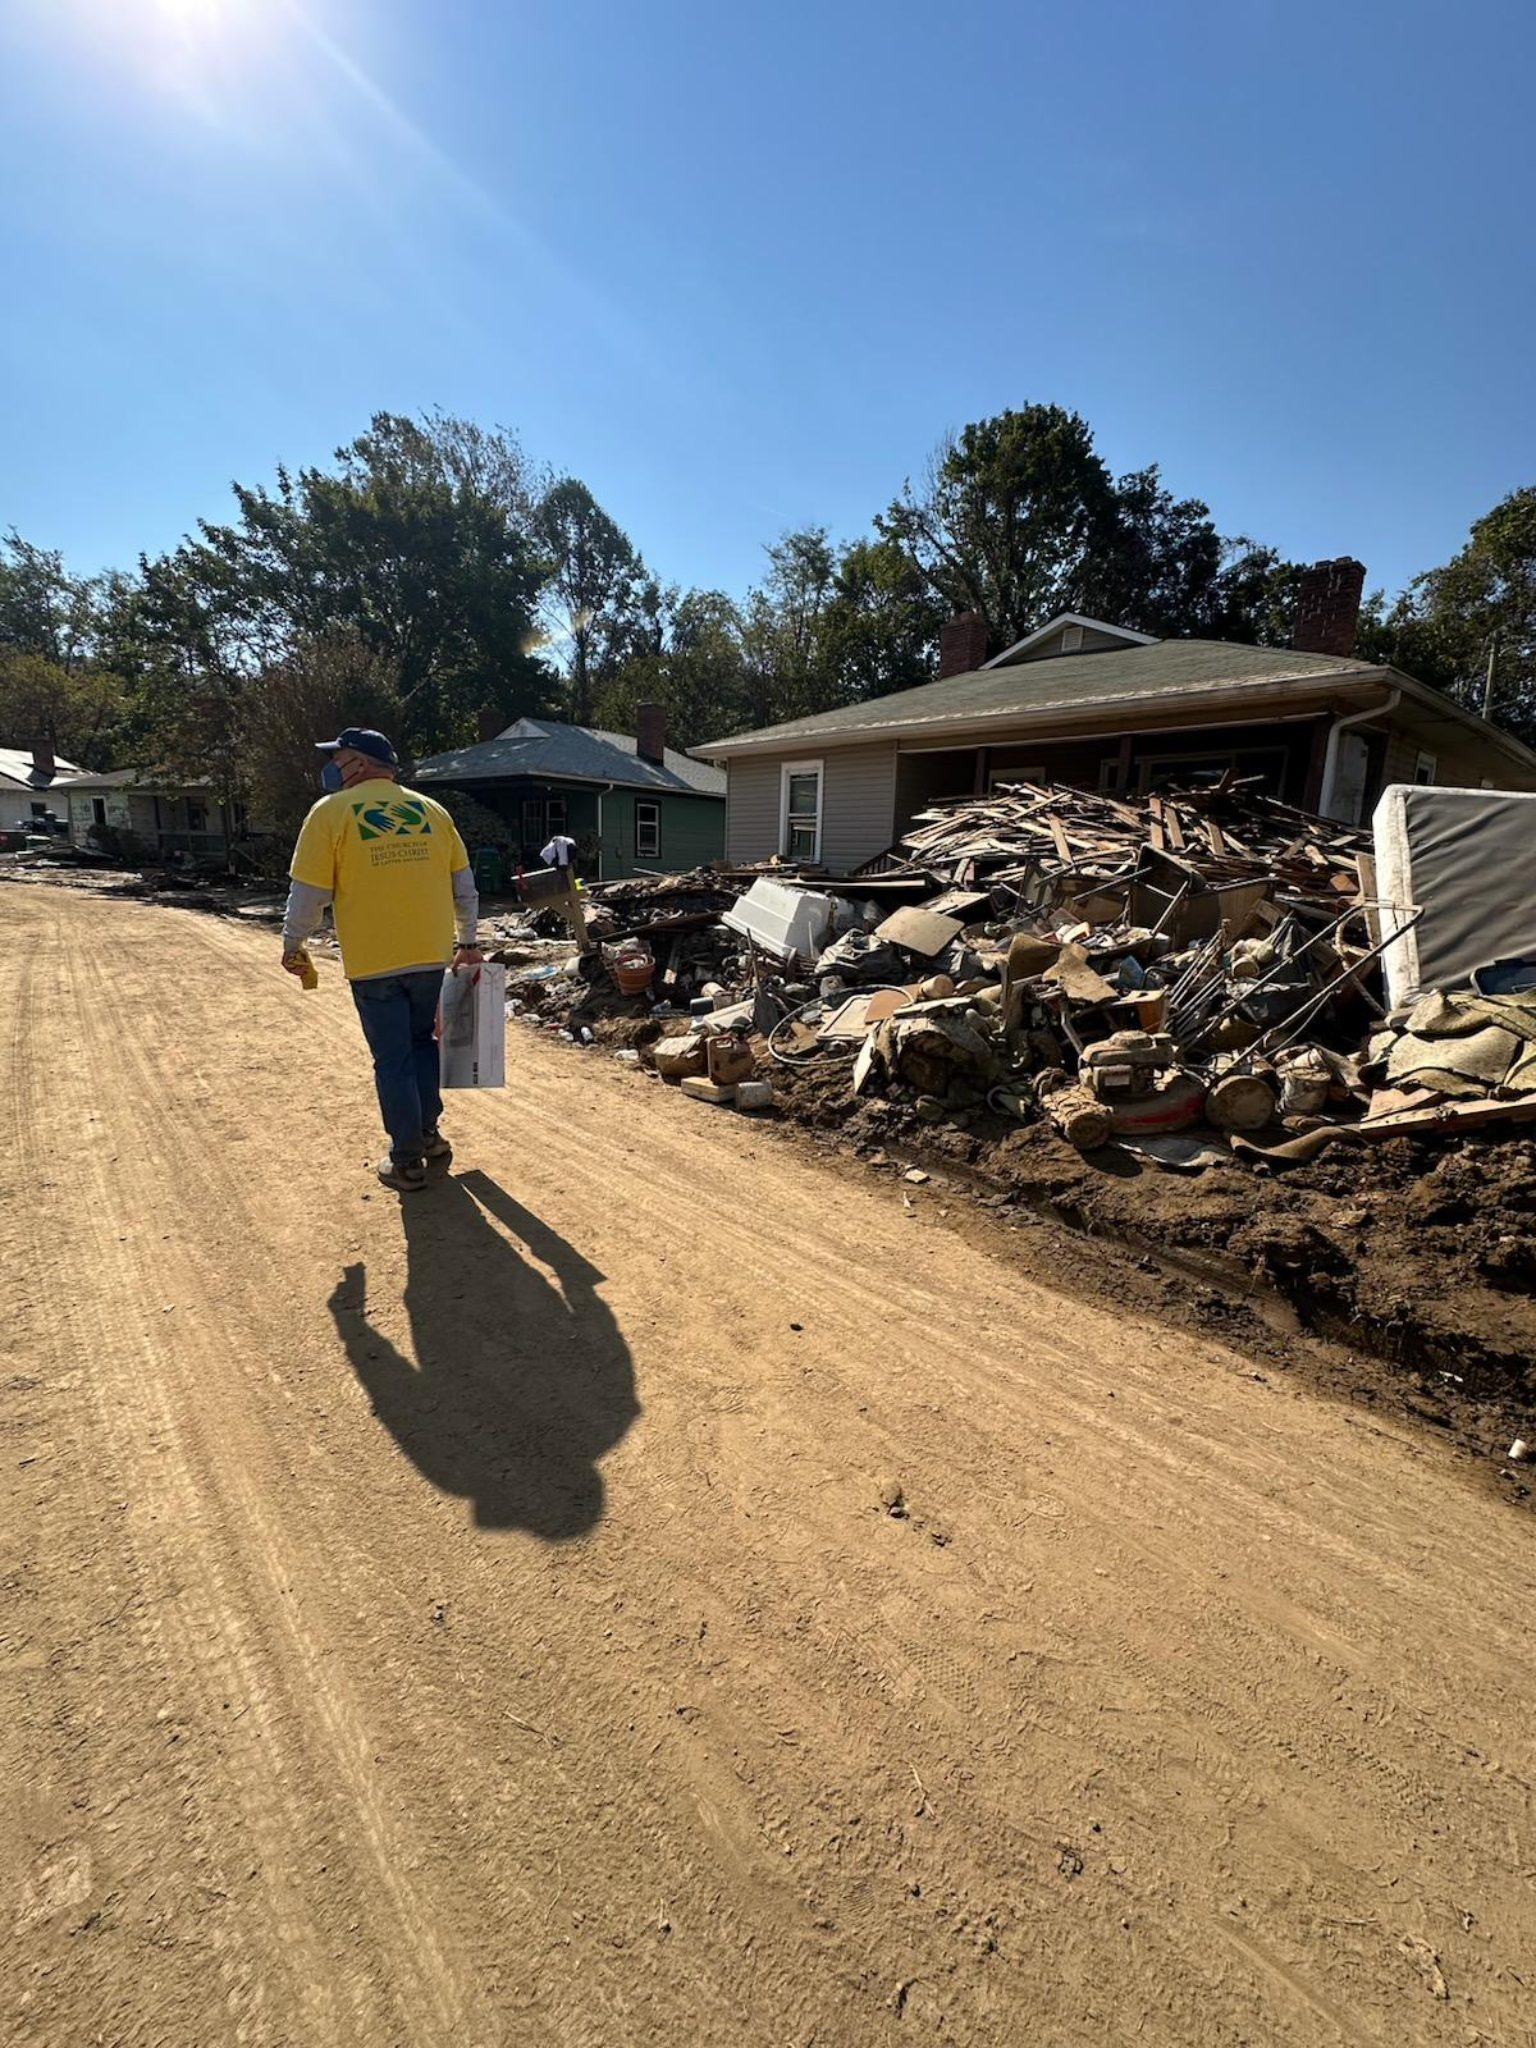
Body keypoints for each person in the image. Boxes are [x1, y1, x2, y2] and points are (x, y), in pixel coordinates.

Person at [281, 727, 484, 1194]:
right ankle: (428, 1135)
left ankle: (406, 1159)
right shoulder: (432, 811)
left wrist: (294, 942)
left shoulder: (330, 812)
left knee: (392, 1058)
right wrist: (468, 941)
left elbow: (310, 892)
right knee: (421, 1044)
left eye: (338, 758)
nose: (333, 767)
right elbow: (464, 885)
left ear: (359, 762)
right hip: (429, 955)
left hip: (374, 960)